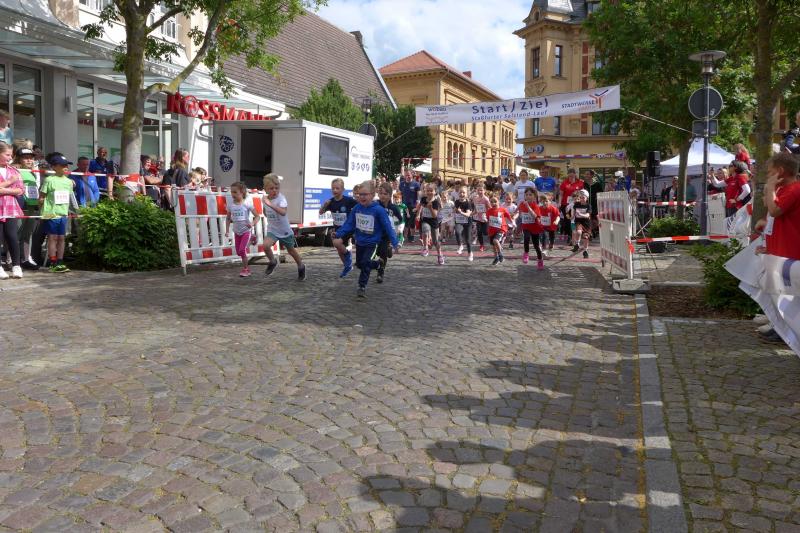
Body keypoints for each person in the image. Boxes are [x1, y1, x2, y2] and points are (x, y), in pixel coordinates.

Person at [754, 153, 800, 342]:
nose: (768, 176)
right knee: (781, 294)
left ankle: (786, 331)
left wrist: (770, 187)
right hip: (781, 253)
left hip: (792, 254)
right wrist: (768, 245)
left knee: (791, 298)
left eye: (770, 172)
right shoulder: (785, 190)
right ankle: (780, 326)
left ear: (780, 171)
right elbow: (773, 217)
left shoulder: (794, 189)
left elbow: (774, 210)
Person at [335, 180, 398, 298]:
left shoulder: (378, 210)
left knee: (365, 263)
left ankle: (361, 286)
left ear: (372, 195)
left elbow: (387, 226)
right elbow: (349, 224)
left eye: (365, 194)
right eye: (360, 194)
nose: (362, 197)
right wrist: (338, 233)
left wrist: (395, 242)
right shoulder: (357, 208)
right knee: (360, 264)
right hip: (360, 242)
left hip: (372, 243)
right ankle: (378, 264)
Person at [262, 173, 306, 280]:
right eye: (271, 188)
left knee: (291, 251)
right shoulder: (265, 199)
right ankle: (272, 261)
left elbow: (283, 212)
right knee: (266, 246)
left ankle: (301, 266)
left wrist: (270, 204)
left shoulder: (281, 199)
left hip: (284, 230)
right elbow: (265, 211)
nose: (275, 190)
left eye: (277, 188)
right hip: (273, 229)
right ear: (266, 189)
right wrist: (266, 210)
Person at [40, 154, 74, 273]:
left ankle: (60, 261)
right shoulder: (49, 180)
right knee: (52, 237)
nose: (66, 167)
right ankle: (53, 262)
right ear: (54, 167)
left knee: (61, 238)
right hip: (50, 213)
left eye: (67, 165)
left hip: (63, 213)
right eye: (62, 165)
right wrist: (42, 212)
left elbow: (69, 198)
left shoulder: (69, 182)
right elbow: (41, 197)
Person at [320, 177, 357, 278]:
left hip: (347, 228)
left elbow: (359, 205)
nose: (335, 190)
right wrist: (325, 205)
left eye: (337, 188)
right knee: (339, 250)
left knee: (336, 243)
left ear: (343, 189)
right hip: (337, 229)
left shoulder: (348, 200)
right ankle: (347, 266)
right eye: (333, 188)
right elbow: (321, 212)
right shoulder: (331, 202)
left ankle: (348, 255)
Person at [13, 146, 40, 270]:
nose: (29, 160)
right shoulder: (15, 171)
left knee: (28, 234)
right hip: (20, 206)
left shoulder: (32, 172)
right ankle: (12, 260)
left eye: (31, 158)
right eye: (25, 158)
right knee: (15, 233)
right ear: (19, 159)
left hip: (32, 206)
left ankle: (25, 259)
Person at [0, 141, 24, 279]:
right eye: (7, 155)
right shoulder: (12, 175)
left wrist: (3, 189)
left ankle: (16, 265)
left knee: (12, 237)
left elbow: (20, 190)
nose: (10, 158)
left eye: (11, 155)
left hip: (10, 208)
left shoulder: (14, 171)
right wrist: (9, 182)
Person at [225, 181, 258, 278]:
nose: (233, 194)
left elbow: (257, 216)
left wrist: (252, 224)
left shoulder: (247, 204)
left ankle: (246, 269)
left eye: (235, 192)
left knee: (242, 250)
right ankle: (252, 239)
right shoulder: (230, 205)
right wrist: (227, 230)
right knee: (239, 252)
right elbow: (228, 218)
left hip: (245, 231)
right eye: (232, 192)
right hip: (237, 232)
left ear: (242, 192)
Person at [376, 182, 403, 283]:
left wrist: (397, 227)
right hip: (376, 233)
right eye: (381, 193)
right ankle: (388, 249)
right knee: (378, 252)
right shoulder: (376, 204)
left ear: (390, 195)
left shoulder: (393, 208)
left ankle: (380, 272)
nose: (382, 196)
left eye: (385, 194)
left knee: (382, 253)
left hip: (386, 234)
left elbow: (400, 218)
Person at [416, 183, 444, 264]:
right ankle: (425, 248)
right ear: (425, 191)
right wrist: (418, 214)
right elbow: (420, 206)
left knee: (435, 241)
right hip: (425, 219)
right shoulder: (423, 199)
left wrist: (430, 208)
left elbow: (435, 215)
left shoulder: (435, 202)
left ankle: (440, 254)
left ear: (435, 192)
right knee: (425, 229)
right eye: (427, 191)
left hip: (434, 221)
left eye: (431, 191)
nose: (429, 192)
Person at [518, 187, 544, 270]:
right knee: (526, 237)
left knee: (536, 246)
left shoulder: (535, 206)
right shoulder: (522, 204)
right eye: (526, 195)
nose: (528, 196)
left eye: (530, 195)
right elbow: (519, 212)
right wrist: (514, 215)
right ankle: (526, 253)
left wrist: (528, 207)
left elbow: (534, 216)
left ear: (534, 196)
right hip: (526, 226)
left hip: (535, 227)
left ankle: (540, 259)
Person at [486, 194, 514, 265]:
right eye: (491, 202)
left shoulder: (502, 209)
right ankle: (496, 258)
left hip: (501, 229)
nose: (493, 203)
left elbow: (508, 216)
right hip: (492, 230)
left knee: (495, 240)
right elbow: (488, 220)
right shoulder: (489, 211)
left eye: (495, 201)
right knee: (493, 246)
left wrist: (512, 223)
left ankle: (501, 254)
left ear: (499, 201)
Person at [558, 169, 584, 242]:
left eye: (572, 176)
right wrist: (559, 203)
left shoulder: (580, 183)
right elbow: (561, 194)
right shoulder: (564, 183)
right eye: (570, 176)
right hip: (565, 205)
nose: (571, 177)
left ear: (575, 174)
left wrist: (582, 202)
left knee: (576, 220)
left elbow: (582, 194)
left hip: (577, 205)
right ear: (568, 175)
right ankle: (569, 236)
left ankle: (576, 236)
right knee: (567, 220)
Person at [399, 171, 420, 242]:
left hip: (413, 206)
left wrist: (417, 206)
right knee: (404, 222)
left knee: (412, 223)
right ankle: (404, 236)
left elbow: (418, 197)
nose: (407, 176)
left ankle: (412, 237)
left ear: (412, 175)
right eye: (406, 175)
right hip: (404, 206)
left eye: (409, 175)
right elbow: (400, 195)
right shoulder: (402, 184)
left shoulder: (416, 184)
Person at [453, 188, 474, 261]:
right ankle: (460, 245)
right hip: (459, 221)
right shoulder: (456, 201)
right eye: (460, 192)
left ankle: (470, 253)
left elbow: (468, 214)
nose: (462, 194)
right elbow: (455, 209)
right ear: (458, 194)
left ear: (466, 194)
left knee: (467, 240)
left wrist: (460, 212)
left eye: (463, 193)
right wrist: (453, 211)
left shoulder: (468, 203)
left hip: (467, 222)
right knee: (457, 232)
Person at [571, 189, 591, 258]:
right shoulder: (576, 204)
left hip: (586, 223)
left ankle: (585, 250)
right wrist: (572, 216)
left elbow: (588, 215)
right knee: (578, 232)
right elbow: (574, 211)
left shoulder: (588, 206)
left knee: (585, 237)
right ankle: (577, 244)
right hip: (578, 221)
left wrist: (581, 214)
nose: (582, 199)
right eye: (581, 197)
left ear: (587, 198)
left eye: (583, 197)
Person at [471, 184, 491, 252]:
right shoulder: (475, 199)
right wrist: (470, 214)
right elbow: (476, 210)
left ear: (484, 191)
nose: (480, 192)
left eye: (481, 190)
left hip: (485, 218)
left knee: (485, 232)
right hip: (478, 218)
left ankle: (491, 238)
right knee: (479, 232)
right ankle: (481, 245)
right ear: (476, 191)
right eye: (478, 190)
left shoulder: (486, 199)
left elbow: (490, 208)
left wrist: (488, 214)